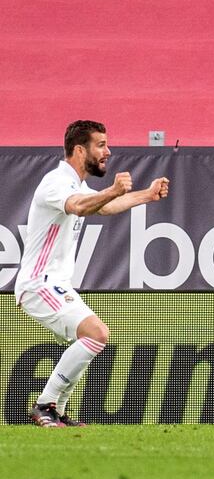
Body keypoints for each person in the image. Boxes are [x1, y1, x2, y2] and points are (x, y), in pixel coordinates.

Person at [16, 120, 170, 427]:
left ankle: (56, 411)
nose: (108, 151)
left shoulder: (77, 183)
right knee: (97, 334)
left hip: (55, 283)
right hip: (39, 283)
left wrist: (146, 195)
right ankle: (45, 405)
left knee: (93, 339)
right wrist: (112, 189)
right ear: (78, 149)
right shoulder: (56, 183)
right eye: (100, 145)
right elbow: (78, 207)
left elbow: (104, 207)